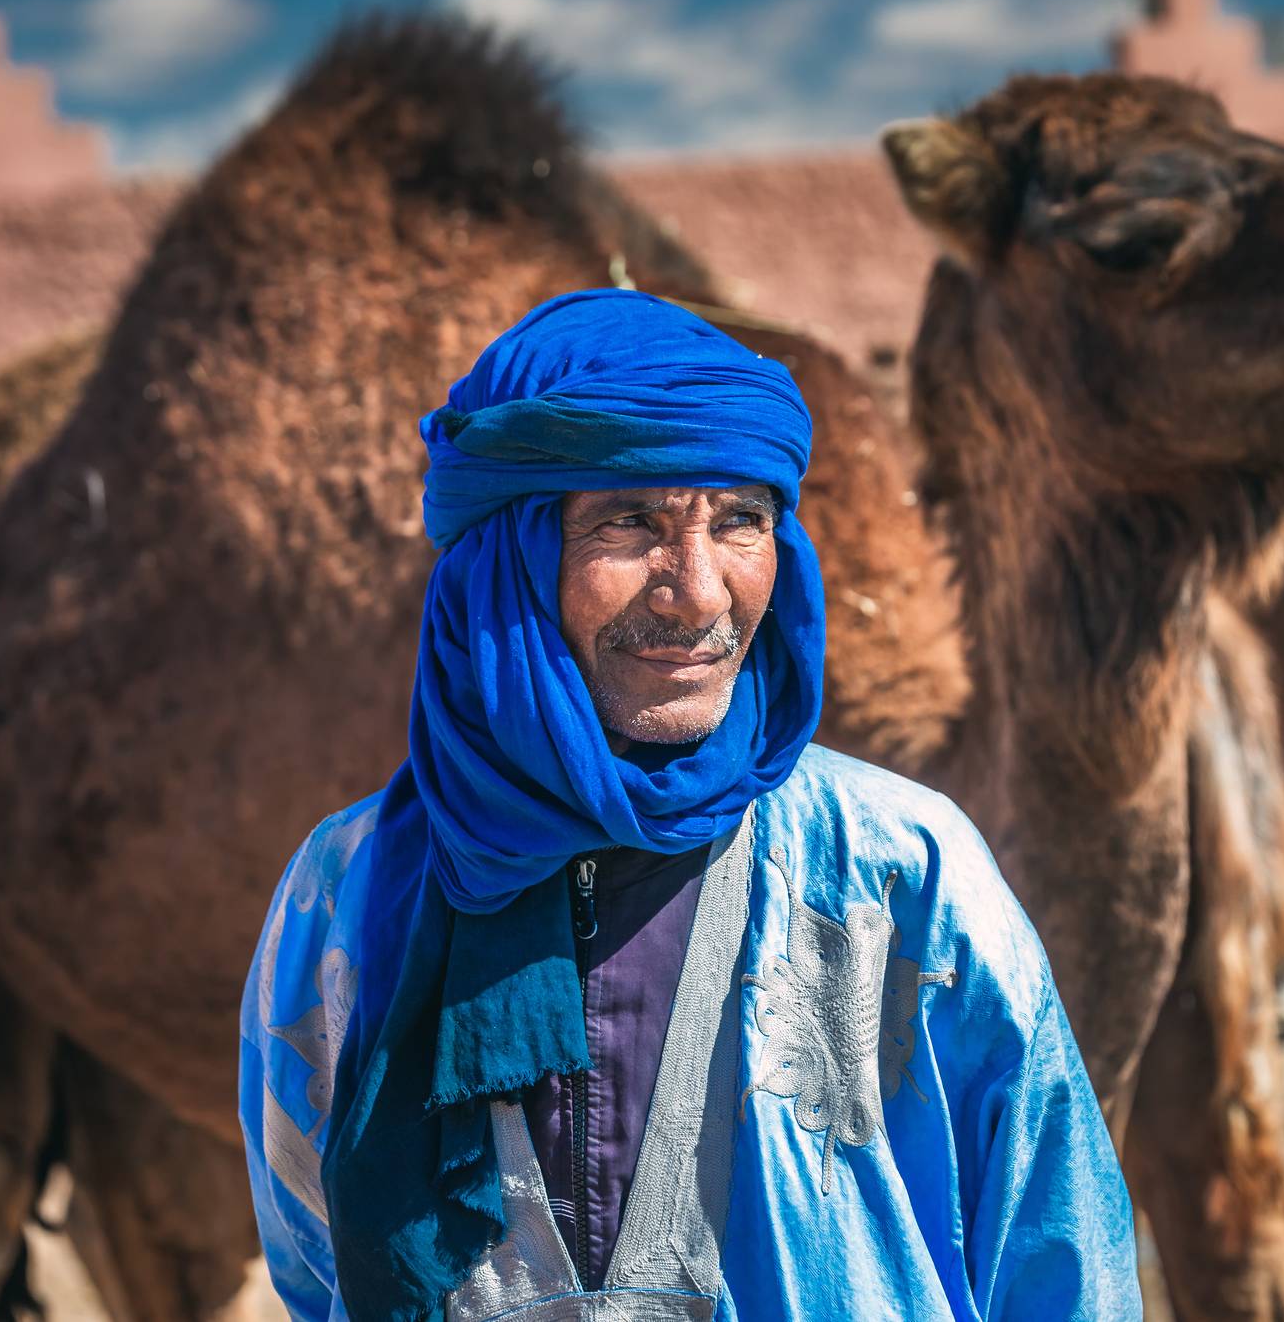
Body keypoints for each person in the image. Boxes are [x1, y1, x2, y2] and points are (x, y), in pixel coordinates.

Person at [239, 289, 1141, 1321]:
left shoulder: (896, 863)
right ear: (507, 562)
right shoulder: (344, 888)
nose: (699, 592)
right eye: (629, 523)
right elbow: (312, 1257)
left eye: (739, 522)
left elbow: (1054, 1250)